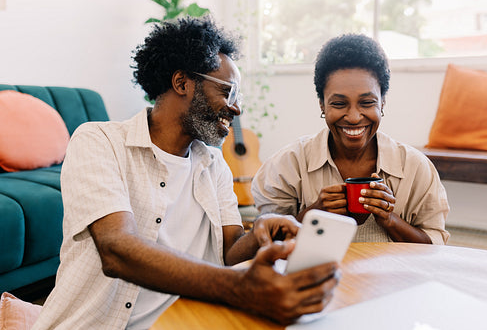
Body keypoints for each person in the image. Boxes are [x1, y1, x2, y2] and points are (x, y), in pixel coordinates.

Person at [32, 17, 339, 329]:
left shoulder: (214, 164)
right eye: (228, 92)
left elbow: (231, 251)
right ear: (182, 83)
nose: (236, 109)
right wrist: (241, 289)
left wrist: (261, 231)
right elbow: (117, 249)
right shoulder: (99, 141)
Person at [252, 34, 449, 245]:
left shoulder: (415, 167)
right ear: (322, 104)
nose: (354, 117)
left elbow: (436, 248)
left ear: (382, 102)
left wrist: (390, 221)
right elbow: (265, 243)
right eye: (338, 104)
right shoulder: (288, 165)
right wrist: (313, 215)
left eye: (366, 102)